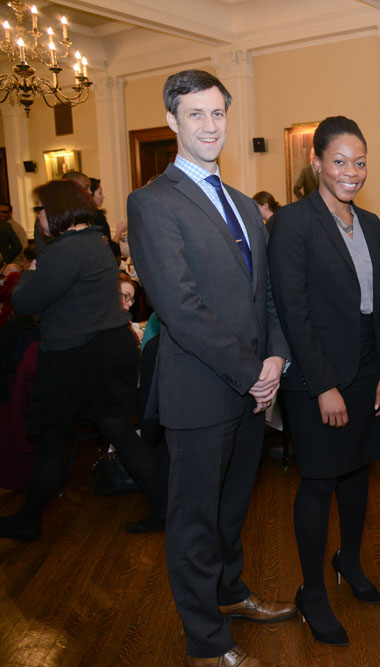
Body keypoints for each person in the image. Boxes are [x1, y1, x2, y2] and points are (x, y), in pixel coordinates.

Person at [127, 69, 293, 667]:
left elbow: (266, 296)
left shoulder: (247, 206)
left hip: (252, 388)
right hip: (201, 391)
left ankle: (230, 593)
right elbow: (181, 308)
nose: (209, 125)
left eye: (217, 113)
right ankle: (205, 640)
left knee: (231, 508)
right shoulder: (151, 202)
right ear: (172, 121)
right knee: (195, 520)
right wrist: (253, 370)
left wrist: (275, 358)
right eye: (195, 114)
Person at [268, 116, 380, 646]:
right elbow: (291, 310)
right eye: (340, 161)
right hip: (317, 373)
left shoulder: (370, 224)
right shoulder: (293, 223)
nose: (352, 171)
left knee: (359, 470)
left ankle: (350, 560)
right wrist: (322, 384)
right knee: (320, 479)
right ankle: (312, 589)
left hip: (368, 367)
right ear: (317, 162)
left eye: (360, 161)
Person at [0, 180, 162, 541]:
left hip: (77, 355)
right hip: (109, 347)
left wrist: (29, 270)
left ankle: (29, 520)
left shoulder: (68, 250)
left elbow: (24, 302)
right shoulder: (93, 241)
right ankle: (163, 506)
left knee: (53, 438)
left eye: (40, 208)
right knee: (119, 430)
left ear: (56, 210)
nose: (37, 215)